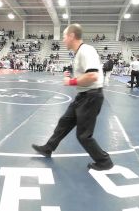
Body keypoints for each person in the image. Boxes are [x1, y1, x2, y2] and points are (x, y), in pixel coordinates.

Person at [31, 23, 114, 171]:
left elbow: (93, 75)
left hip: (91, 97)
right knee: (64, 122)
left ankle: (104, 161)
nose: (62, 40)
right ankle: (48, 148)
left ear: (71, 36)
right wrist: (72, 77)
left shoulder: (86, 51)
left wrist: (71, 81)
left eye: (64, 37)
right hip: (83, 96)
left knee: (84, 136)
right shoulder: (78, 53)